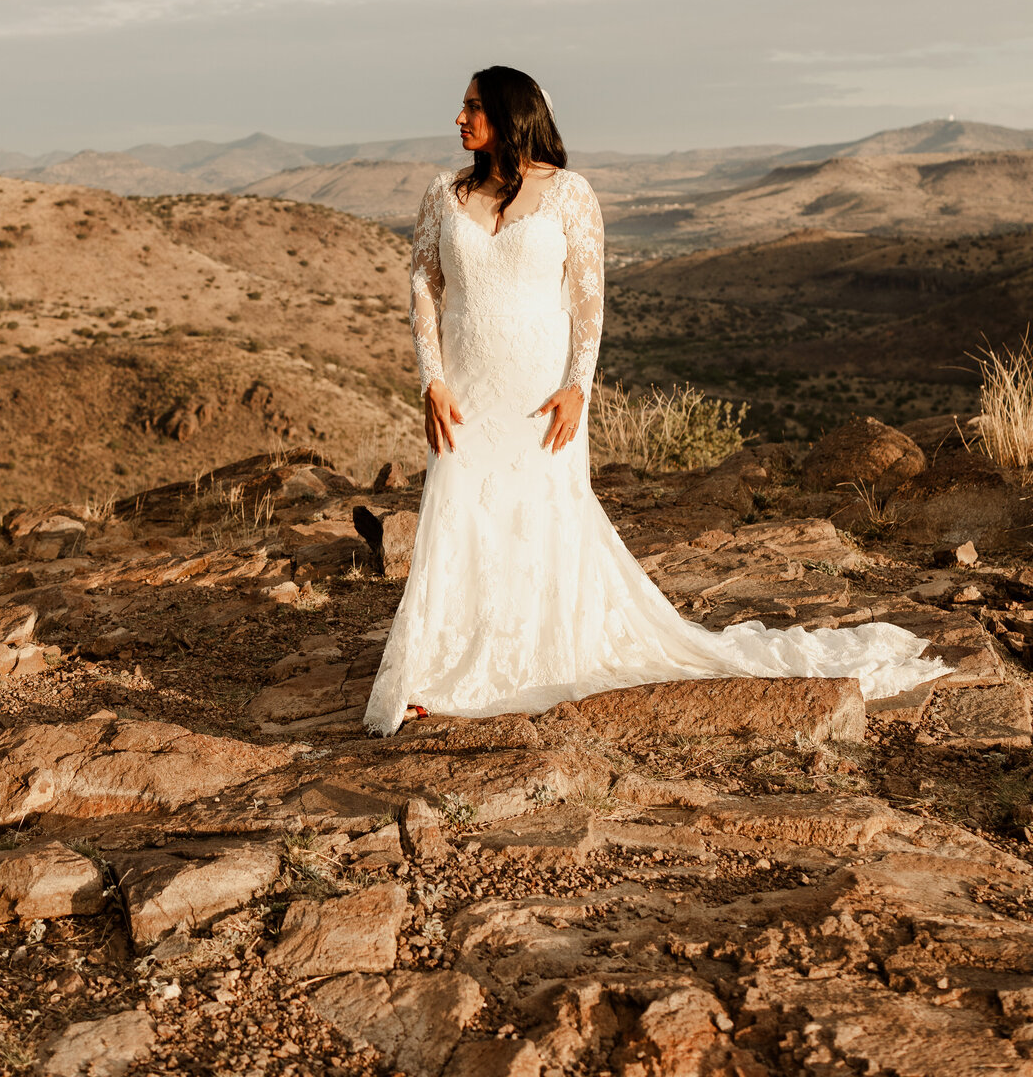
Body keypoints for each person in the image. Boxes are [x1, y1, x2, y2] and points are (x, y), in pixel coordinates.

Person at [364, 65, 947, 735]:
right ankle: (437, 666)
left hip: (539, 390)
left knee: (539, 513)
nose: (459, 119)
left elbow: (588, 300)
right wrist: (430, 378)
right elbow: (421, 286)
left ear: (508, 112)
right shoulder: (444, 194)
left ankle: (528, 651)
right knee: (459, 508)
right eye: (462, 107)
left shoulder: (571, 194)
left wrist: (578, 387)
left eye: (472, 106)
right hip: (465, 388)